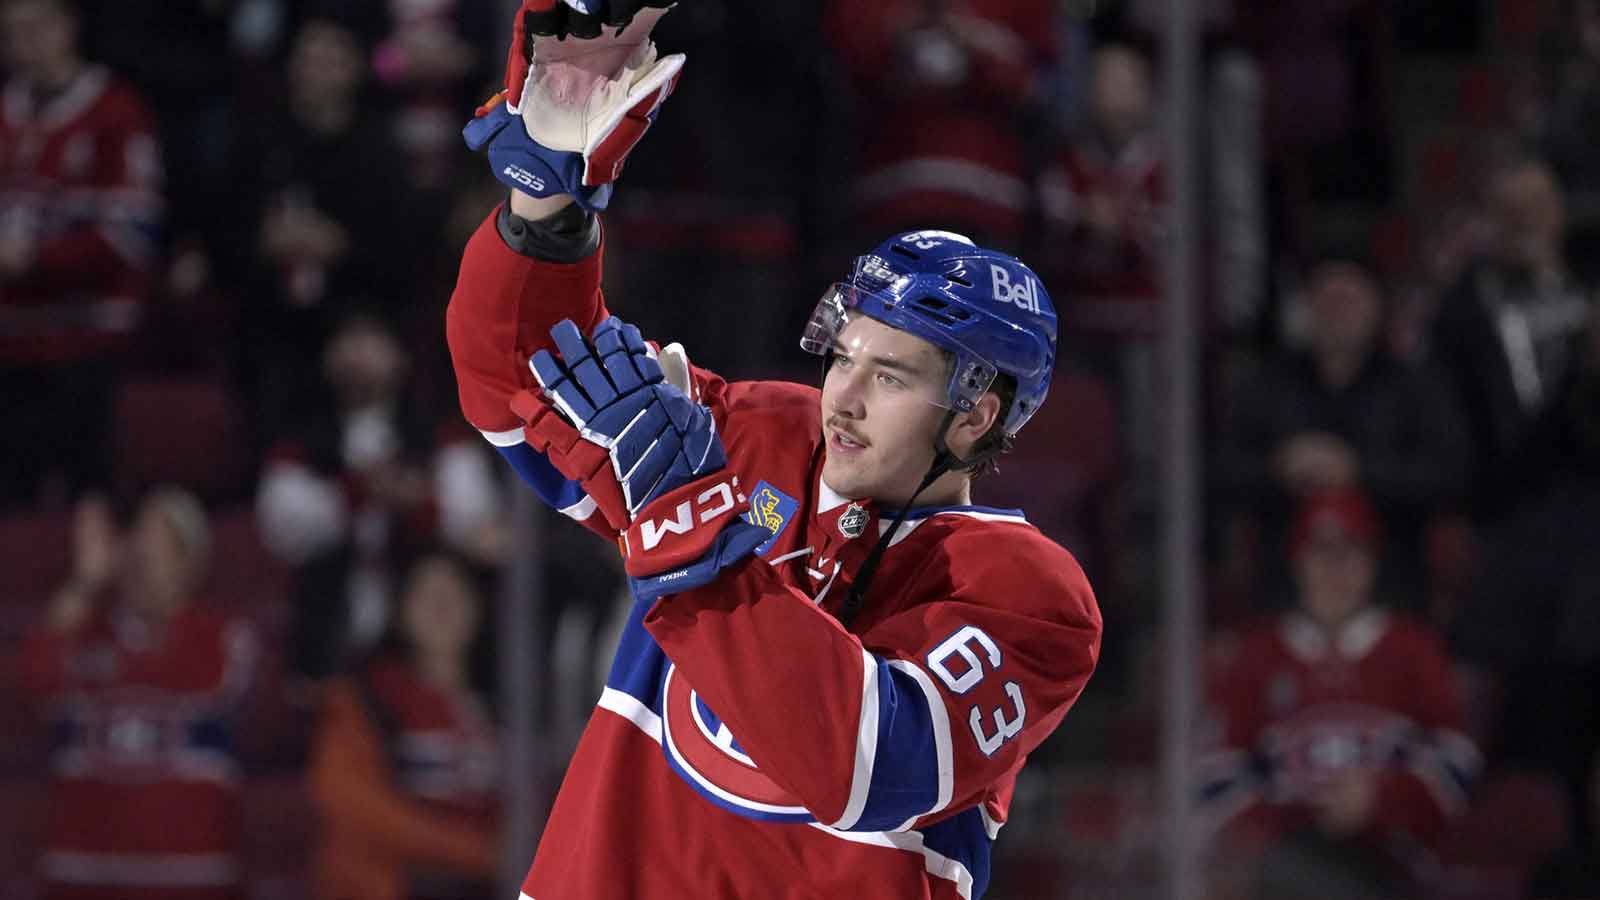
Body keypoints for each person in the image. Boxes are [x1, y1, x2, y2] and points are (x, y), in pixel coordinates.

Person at [444, 3, 1102, 897]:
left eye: (895, 377)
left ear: (976, 417)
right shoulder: (756, 435)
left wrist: (691, 536)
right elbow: (518, 387)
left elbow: (866, 768)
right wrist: (546, 210)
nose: (847, 396)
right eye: (845, 356)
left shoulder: (1026, 596)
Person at [1198, 489, 1480, 900]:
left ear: (1372, 562)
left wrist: (1380, 802)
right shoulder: (1257, 655)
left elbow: (1457, 766)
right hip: (1287, 864)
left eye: (1351, 553)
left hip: (1393, 858)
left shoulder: (1412, 649)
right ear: (1298, 560)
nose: (1337, 570)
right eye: (1322, 552)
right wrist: (1304, 808)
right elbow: (1215, 781)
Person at [8, 488, 263, 900]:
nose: (145, 557)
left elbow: (207, 682)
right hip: (81, 883)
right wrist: (84, 585)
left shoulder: (224, 637)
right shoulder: (79, 633)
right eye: (138, 541)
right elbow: (33, 679)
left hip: (191, 884)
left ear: (192, 561)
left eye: (161, 544)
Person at [0, 0, 163, 508]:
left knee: (88, 505)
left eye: (35, 26)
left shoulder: (116, 109)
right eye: (11, 31)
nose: (23, 43)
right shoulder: (4, 111)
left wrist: (36, 258)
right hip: (10, 344)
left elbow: (133, 234)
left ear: (66, 25)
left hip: (89, 342)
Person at [309, 549, 500, 900]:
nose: (441, 606)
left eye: (455, 592)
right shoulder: (365, 698)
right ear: (401, 611)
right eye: (426, 594)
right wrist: (482, 852)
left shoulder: (510, 703)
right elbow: (354, 805)